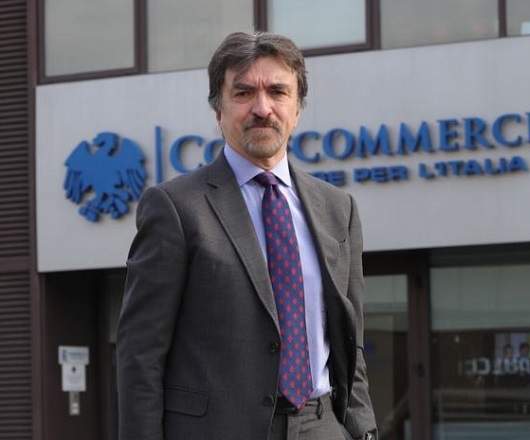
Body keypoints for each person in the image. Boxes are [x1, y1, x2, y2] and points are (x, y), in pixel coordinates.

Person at [116, 31, 377, 440]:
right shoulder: (175, 208)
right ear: (218, 111)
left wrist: (363, 430)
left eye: (278, 92)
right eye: (243, 93)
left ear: (297, 109)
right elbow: (140, 353)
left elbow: (350, 341)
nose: (262, 108)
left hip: (321, 425)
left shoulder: (337, 209)